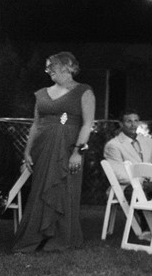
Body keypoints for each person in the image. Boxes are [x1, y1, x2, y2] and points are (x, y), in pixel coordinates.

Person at [13, 52, 95, 253]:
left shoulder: (84, 91)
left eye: (51, 66)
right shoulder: (41, 93)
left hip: (68, 149)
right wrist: (27, 152)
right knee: (40, 192)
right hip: (42, 149)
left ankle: (61, 238)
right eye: (47, 67)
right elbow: (35, 124)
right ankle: (36, 237)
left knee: (65, 190)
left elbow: (87, 125)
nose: (47, 70)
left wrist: (77, 152)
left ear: (67, 67)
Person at [104, 108, 152, 201]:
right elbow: (119, 173)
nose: (133, 125)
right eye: (129, 121)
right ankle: (146, 216)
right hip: (128, 186)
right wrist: (142, 182)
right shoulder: (113, 145)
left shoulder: (148, 141)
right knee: (137, 195)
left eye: (136, 121)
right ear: (121, 124)